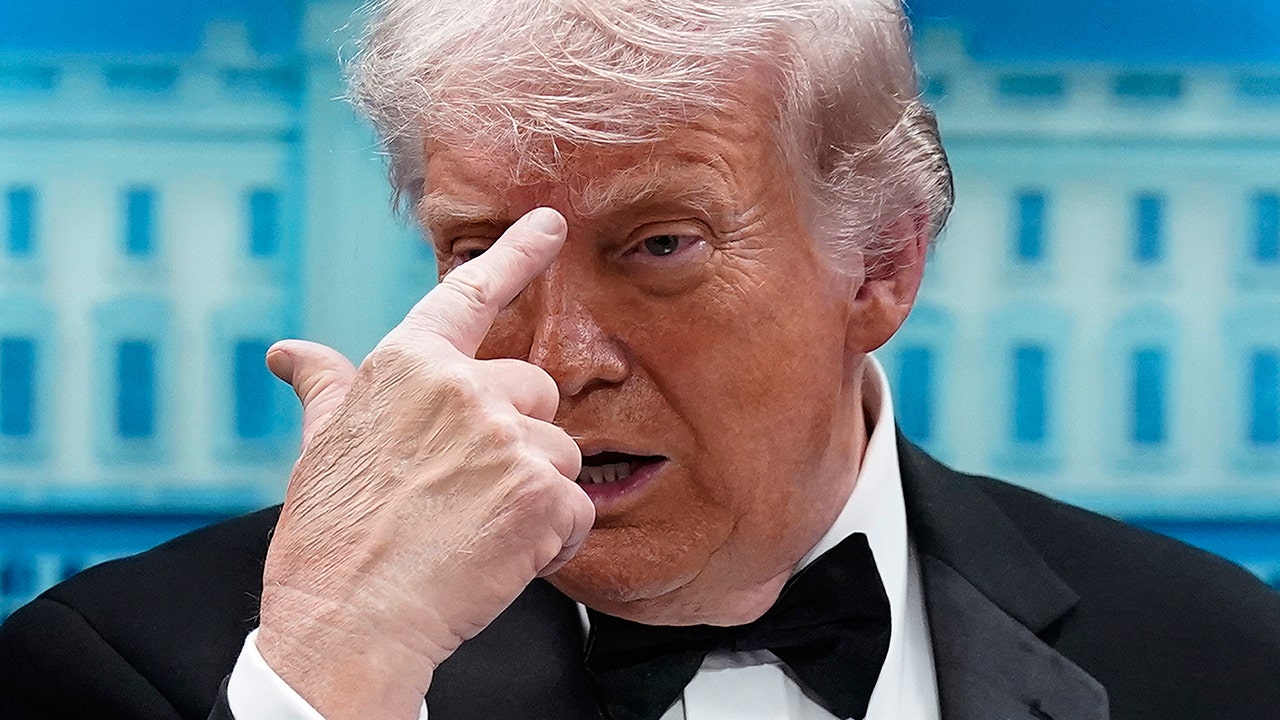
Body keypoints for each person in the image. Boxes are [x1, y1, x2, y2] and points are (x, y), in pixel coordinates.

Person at [2, 1, 1279, 719]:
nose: (559, 361)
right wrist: (334, 678)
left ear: (880, 267)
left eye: (660, 245)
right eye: (483, 253)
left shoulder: (1219, 659)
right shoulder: (127, 670)